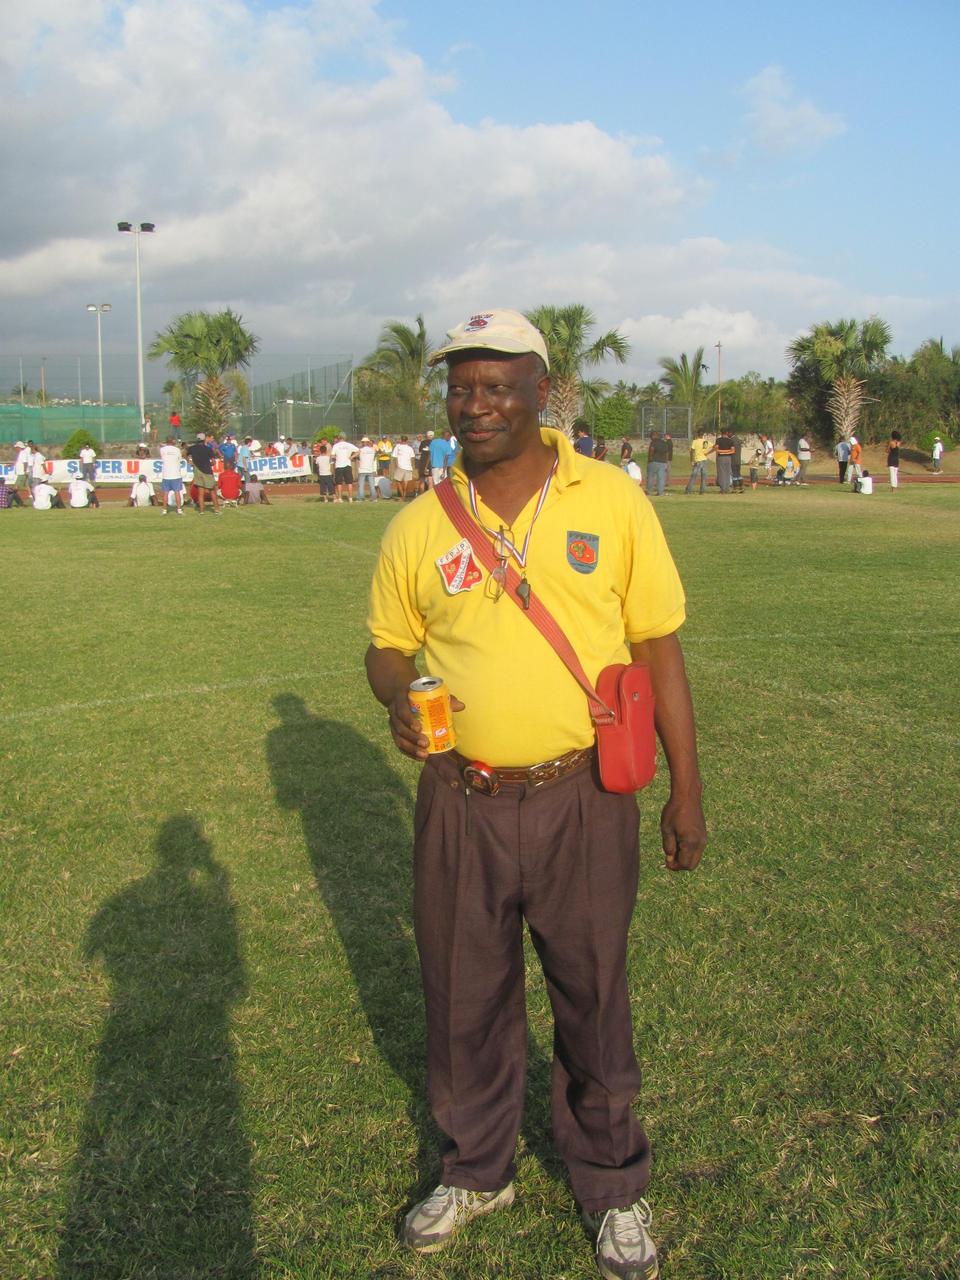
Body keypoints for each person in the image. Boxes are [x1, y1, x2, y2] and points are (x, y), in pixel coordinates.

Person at [365, 307, 706, 1280]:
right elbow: (386, 644)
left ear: (540, 394)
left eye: (495, 387)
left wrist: (686, 790)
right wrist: (401, 692)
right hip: (460, 796)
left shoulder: (612, 498)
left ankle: (612, 1181)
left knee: (593, 990)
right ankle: (477, 1166)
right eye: (460, 388)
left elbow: (659, 647)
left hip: (584, 794)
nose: (474, 405)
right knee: (462, 991)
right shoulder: (420, 521)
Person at [185, 433, 221, 514]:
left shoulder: (192, 448)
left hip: (197, 471)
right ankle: (217, 510)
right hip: (207, 471)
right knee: (212, 491)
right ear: (204, 439)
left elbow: (184, 453)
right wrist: (211, 464)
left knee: (200, 492)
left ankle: (201, 511)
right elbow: (213, 462)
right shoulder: (208, 449)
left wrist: (188, 461)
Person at [159, 435, 186, 515]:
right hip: (176, 474)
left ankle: (164, 510)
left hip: (166, 474)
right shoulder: (177, 450)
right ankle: (179, 510)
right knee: (177, 492)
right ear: (173, 441)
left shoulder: (162, 449)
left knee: (166, 493)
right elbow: (180, 459)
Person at [331, 435, 359, 502]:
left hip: (339, 466)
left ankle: (340, 498)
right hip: (347, 465)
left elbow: (332, 455)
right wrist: (352, 457)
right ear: (345, 438)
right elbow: (358, 451)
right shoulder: (349, 445)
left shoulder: (336, 445)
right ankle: (350, 498)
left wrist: (337, 457)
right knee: (349, 482)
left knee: (339, 483)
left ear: (339, 438)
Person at [391, 435, 417, 500]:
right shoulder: (410, 448)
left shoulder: (397, 446)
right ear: (407, 440)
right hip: (408, 467)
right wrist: (412, 467)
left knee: (398, 481)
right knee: (406, 482)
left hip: (401, 466)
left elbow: (394, 457)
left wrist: (396, 466)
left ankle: (403, 496)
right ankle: (404, 495)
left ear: (401, 440)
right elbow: (412, 458)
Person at [645, 431, 670, 496]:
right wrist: (666, 462)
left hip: (654, 461)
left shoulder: (653, 442)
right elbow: (667, 453)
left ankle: (649, 491)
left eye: (650, 436)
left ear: (653, 436)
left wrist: (649, 459)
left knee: (650, 477)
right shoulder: (664, 443)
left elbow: (651, 450)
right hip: (663, 462)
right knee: (661, 478)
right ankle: (660, 492)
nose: (650, 438)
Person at [357, 437, 379, 502]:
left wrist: (351, 457)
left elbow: (356, 456)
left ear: (363, 443)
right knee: (372, 485)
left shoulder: (360, 450)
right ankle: (374, 498)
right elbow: (378, 452)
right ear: (368, 442)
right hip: (370, 470)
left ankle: (360, 499)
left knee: (361, 485)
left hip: (362, 470)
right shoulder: (372, 450)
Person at [713, 428, 735, 493]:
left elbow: (716, 449)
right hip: (728, 458)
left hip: (721, 457)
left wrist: (722, 452)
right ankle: (727, 488)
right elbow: (733, 451)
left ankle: (722, 488)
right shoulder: (730, 440)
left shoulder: (718, 440)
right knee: (727, 472)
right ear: (727, 433)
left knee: (721, 473)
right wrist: (727, 451)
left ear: (721, 433)